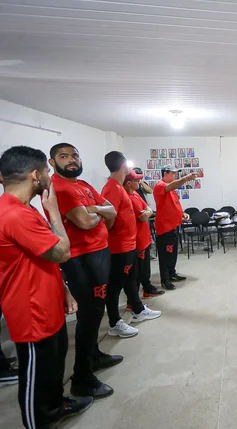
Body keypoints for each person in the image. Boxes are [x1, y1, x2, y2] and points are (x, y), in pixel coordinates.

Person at [0, 146, 94, 428]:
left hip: (47, 301)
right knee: (36, 374)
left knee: (54, 364)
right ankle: (37, 420)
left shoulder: (24, 208)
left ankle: (56, 405)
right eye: (49, 171)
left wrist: (64, 291)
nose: (50, 177)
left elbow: (44, 256)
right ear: (35, 175)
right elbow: (61, 252)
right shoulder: (15, 215)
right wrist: (54, 212)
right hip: (30, 311)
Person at [48, 142, 117, 399]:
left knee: (96, 310)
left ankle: (94, 356)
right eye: (63, 156)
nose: (71, 160)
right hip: (80, 258)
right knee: (89, 315)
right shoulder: (61, 188)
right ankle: (82, 379)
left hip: (99, 252)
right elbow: (85, 222)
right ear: (52, 162)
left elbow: (112, 211)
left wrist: (95, 209)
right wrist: (99, 213)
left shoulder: (84, 185)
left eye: (74, 155)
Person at [102, 152, 162, 339]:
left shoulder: (120, 188)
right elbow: (107, 218)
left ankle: (137, 309)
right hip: (119, 246)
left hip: (130, 243)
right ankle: (114, 323)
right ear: (124, 168)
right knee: (114, 286)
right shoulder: (112, 188)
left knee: (131, 279)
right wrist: (117, 233)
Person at [153, 166, 196, 290]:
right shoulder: (160, 185)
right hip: (164, 227)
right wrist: (186, 178)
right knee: (165, 255)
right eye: (173, 173)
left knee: (172, 253)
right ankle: (165, 279)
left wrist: (182, 214)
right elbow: (170, 187)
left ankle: (172, 273)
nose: (175, 175)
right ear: (165, 174)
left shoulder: (171, 189)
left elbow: (174, 204)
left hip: (173, 225)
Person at [123, 170, 164, 298]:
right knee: (138, 270)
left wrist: (147, 212)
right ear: (129, 183)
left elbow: (148, 209)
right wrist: (146, 212)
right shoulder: (127, 197)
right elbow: (142, 216)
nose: (139, 182)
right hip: (138, 239)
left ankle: (147, 288)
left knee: (145, 267)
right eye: (137, 180)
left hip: (145, 237)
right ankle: (135, 298)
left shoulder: (135, 194)